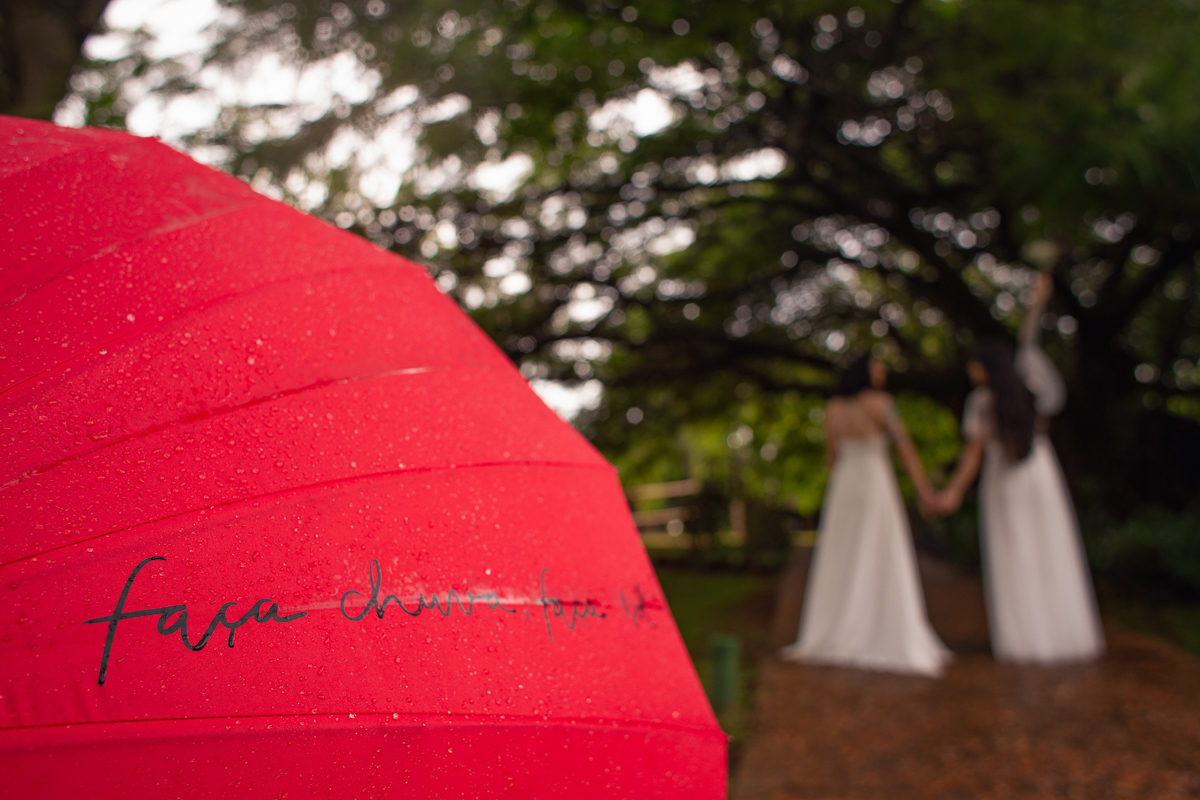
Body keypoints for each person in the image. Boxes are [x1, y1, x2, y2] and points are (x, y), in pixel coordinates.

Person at [930, 274, 1104, 664]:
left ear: (984, 367)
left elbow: (974, 454)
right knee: (1049, 550)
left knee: (1016, 552)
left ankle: (1024, 638)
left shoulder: (983, 401)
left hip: (1005, 481)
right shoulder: (1027, 391)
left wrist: (953, 492)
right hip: (1040, 475)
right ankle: (1061, 634)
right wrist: (1037, 304)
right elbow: (1029, 343)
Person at [781, 354, 952, 677]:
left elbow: (831, 455)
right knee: (879, 548)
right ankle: (877, 624)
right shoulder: (883, 404)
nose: (883, 370)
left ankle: (837, 625)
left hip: (845, 485)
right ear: (865, 371)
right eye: (877, 365)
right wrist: (924, 490)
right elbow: (906, 450)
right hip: (874, 483)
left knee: (842, 554)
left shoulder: (834, 409)